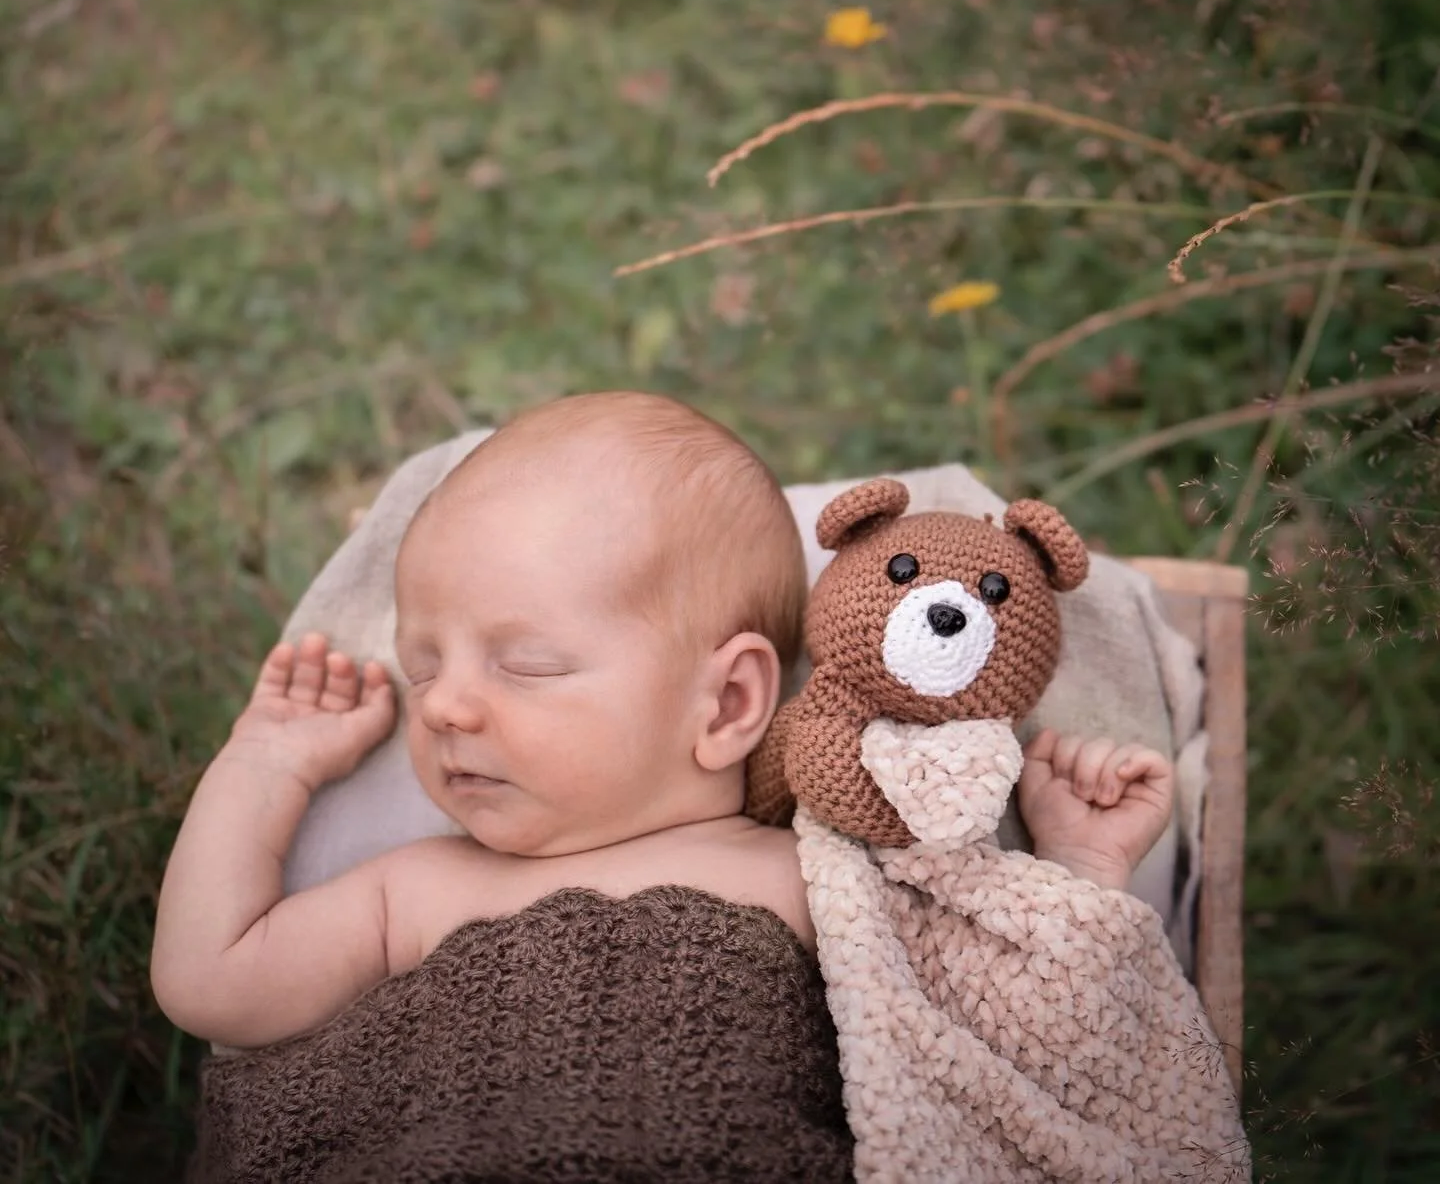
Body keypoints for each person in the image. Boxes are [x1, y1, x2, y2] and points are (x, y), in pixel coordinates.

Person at [151, 389, 1174, 1052]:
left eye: (526, 664)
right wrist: (266, 764)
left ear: (727, 703)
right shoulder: (412, 891)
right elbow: (210, 980)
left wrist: (1079, 858)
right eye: (422, 668)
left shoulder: (821, 880)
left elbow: (1033, 1011)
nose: (447, 704)